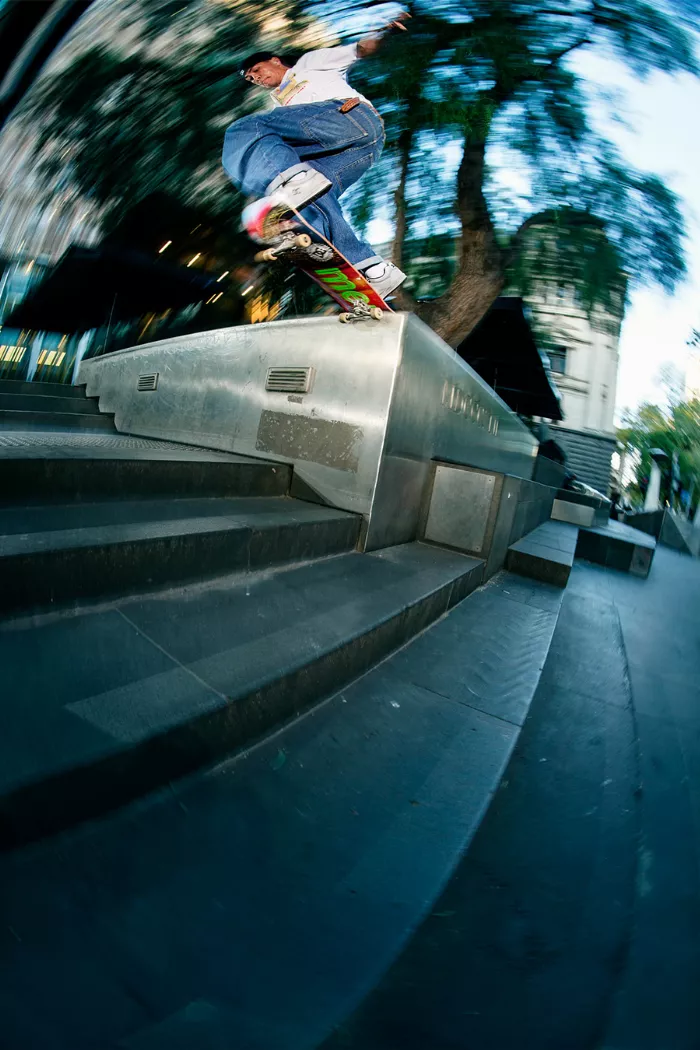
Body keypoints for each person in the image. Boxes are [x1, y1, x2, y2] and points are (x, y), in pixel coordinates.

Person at [222, 18, 408, 299]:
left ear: (275, 60)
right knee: (314, 198)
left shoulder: (309, 64)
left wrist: (385, 32)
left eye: (257, 70)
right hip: (358, 152)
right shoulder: (279, 102)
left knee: (246, 129)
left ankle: (291, 183)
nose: (256, 78)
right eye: (251, 78)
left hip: (350, 120)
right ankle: (371, 269)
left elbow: (361, 49)